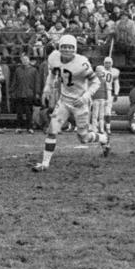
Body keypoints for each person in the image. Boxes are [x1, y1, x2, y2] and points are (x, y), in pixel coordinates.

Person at [34, 34, 105, 171]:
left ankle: (103, 138)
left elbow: (95, 81)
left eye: (70, 47)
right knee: (52, 130)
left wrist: (86, 96)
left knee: (83, 137)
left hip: (80, 102)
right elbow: (53, 73)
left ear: (75, 48)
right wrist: (47, 88)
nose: (67, 50)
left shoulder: (82, 63)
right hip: (64, 100)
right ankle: (45, 163)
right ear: (59, 47)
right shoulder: (54, 57)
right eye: (64, 47)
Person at [9, 53, 40, 134]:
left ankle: (29, 127)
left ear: (29, 60)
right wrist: (12, 91)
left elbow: (37, 82)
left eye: (26, 59)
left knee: (28, 112)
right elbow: (15, 81)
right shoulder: (18, 70)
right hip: (19, 93)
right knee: (19, 111)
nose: (25, 61)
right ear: (21, 60)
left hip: (29, 94)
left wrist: (37, 93)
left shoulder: (34, 70)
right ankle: (18, 127)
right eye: (23, 60)